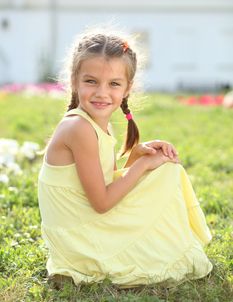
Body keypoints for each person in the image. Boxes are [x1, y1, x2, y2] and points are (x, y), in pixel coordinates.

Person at [38, 29, 213, 288]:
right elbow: (102, 202)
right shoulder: (79, 128)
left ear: (127, 88)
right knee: (167, 174)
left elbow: (103, 182)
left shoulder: (95, 126)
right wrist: (142, 166)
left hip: (83, 224)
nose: (102, 92)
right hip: (79, 241)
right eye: (91, 81)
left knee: (164, 171)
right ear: (74, 80)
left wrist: (136, 157)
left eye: (114, 84)